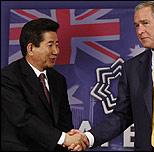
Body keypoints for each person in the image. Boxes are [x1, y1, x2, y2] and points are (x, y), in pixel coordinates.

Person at [67, 1, 154, 151]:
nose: (139, 31)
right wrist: (88, 137)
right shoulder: (131, 68)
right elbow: (122, 115)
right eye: (137, 25)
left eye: (145, 23)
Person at [1, 18, 88, 151]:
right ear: (30, 48)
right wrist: (64, 138)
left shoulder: (58, 80)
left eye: (57, 45)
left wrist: (71, 143)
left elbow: (64, 122)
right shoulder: (8, 77)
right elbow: (22, 119)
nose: (56, 51)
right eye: (50, 45)